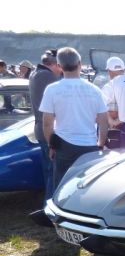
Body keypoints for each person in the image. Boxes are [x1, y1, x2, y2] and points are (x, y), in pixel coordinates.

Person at [39, 47, 108, 189]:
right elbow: (103, 123)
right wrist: (100, 143)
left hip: (64, 145)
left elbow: (47, 124)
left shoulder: (52, 89)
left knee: (62, 186)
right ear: (80, 64)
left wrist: (51, 145)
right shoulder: (94, 90)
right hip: (89, 145)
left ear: (59, 66)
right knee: (87, 186)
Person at [29, 49, 63, 201]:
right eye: (59, 66)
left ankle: (47, 202)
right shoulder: (48, 76)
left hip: (40, 128)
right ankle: (50, 205)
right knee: (53, 172)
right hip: (48, 129)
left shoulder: (35, 73)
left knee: (48, 170)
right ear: (54, 64)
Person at [101, 56, 125, 127]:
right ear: (124, 70)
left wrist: (112, 121)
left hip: (112, 127)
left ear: (109, 71)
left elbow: (100, 107)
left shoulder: (108, 87)